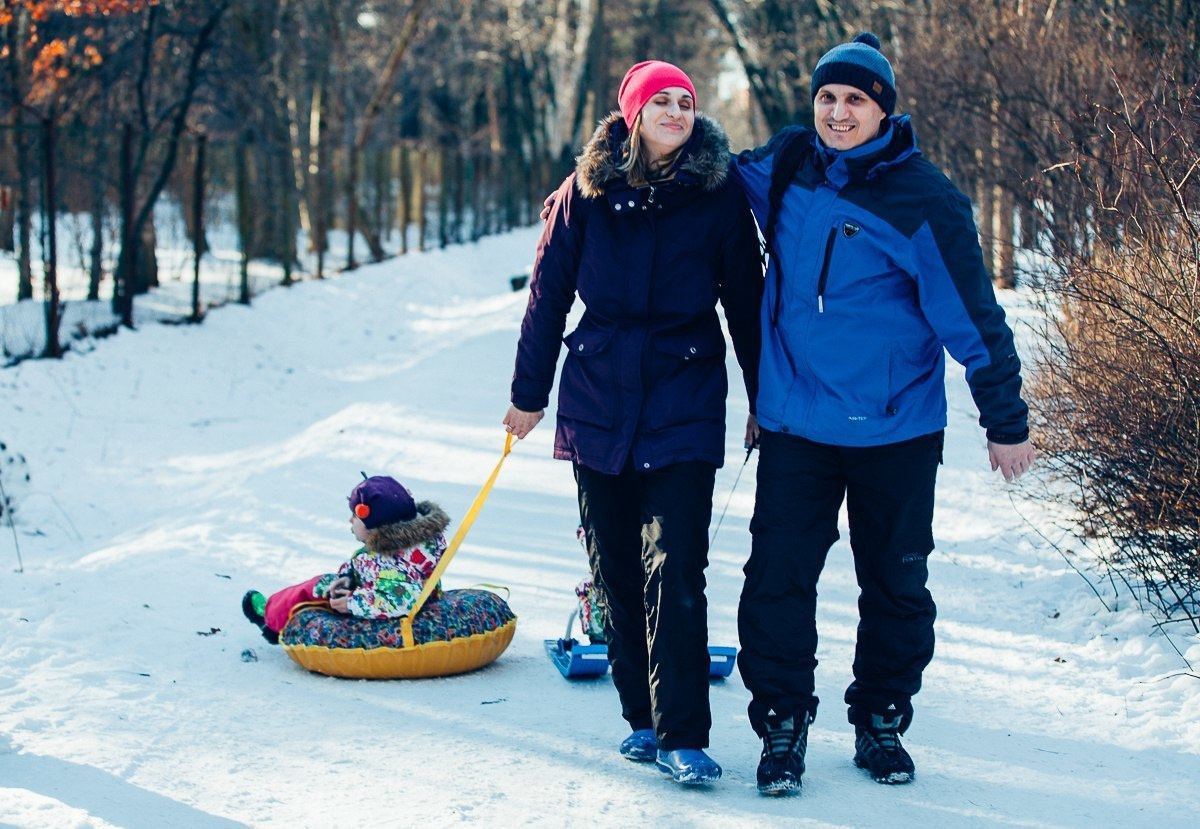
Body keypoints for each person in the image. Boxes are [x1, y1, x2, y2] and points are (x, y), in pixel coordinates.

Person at [730, 33, 1036, 795]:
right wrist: (594, 185)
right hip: (798, 422)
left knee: (896, 583)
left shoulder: (922, 199)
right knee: (776, 577)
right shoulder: (790, 166)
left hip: (895, 428)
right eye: (828, 98)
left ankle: (881, 718)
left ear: (883, 111)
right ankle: (783, 723)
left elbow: (974, 316)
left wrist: (1005, 420)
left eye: (855, 100)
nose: (838, 113)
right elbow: (702, 175)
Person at [503, 60, 763, 785]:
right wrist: (529, 395)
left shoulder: (718, 196)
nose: (677, 112)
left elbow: (747, 302)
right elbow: (547, 297)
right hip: (598, 397)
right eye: (663, 102)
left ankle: (684, 733)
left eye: (687, 102)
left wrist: (762, 400)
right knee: (613, 567)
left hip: (683, 390)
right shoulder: (583, 194)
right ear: (633, 113)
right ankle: (641, 720)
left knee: (675, 565)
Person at [242, 475, 450, 644]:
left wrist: (352, 602)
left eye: (355, 516)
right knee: (333, 583)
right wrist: (348, 576)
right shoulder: (417, 545)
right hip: (381, 590)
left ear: (377, 523)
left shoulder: (391, 560)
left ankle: (270, 619)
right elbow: (373, 569)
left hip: (379, 608)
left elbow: (400, 598)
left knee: (316, 586)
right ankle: (277, 617)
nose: (350, 520)